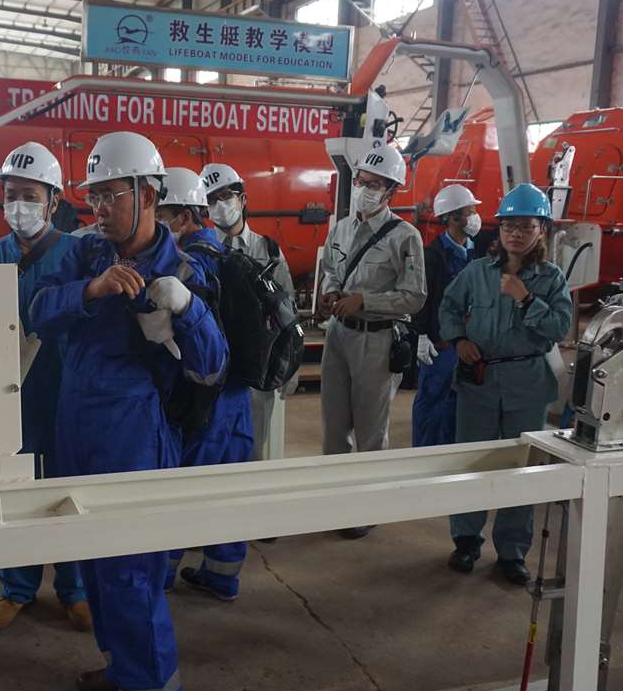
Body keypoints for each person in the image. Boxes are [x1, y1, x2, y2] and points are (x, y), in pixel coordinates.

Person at [30, 132, 228, 691]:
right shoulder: (85, 255)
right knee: (94, 566)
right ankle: (122, 667)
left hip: (134, 437)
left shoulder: (183, 268)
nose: (98, 208)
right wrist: (92, 290)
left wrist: (186, 310)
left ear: (147, 194)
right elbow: (36, 310)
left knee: (130, 578)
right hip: (75, 429)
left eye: (110, 195)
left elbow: (213, 367)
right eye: (93, 196)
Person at [0, 142, 91, 633]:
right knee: (15, 492)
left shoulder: (78, 253)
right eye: (11, 194)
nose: (18, 205)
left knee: (68, 491)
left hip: (64, 391)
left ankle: (76, 588)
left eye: (29, 195)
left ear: (53, 201)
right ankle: (17, 588)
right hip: (10, 397)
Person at [439, 183, 572, 585]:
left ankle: (512, 552)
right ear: (499, 229)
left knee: (520, 468)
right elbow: (449, 307)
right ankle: (466, 540)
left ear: (541, 230)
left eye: (526, 226)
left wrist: (526, 299)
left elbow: (560, 328)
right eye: (509, 226)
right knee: (473, 462)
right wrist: (459, 340)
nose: (516, 233)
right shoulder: (477, 272)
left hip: (526, 384)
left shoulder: (551, 279)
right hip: (479, 382)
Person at [317, 140, 426, 539]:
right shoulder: (342, 228)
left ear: (391, 191)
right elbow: (331, 270)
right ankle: (334, 504)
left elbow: (415, 296)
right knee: (334, 429)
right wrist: (330, 291)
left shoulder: (405, 237)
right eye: (362, 181)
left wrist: (366, 300)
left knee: (370, 432)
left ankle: (365, 508)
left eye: (375, 184)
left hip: (376, 342)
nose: (364, 189)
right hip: (338, 337)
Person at [158, 167, 255, 601]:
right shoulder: (228, 254)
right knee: (230, 493)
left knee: (182, 493)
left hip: (205, 398)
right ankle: (222, 577)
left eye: (162, 215)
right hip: (237, 398)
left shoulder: (188, 264)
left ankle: (161, 576)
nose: (157, 224)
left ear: (183, 216)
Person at [202, 162, 296, 462]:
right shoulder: (199, 251)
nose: (220, 205)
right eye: (211, 199)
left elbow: (287, 311)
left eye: (225, 196)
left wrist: (290, 365)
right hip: (214, 369)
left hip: (257, 369)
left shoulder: (269, 252)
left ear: (242, 199)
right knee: (209, 452)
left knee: (253, 451)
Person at [412, 184, 482, 447]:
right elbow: (422, 297)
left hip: (468, 343)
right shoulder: (433, 256)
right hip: (439, 344)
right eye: (469, 211)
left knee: (457, 404)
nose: (475, 217)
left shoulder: (477, 253)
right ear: (452, 217)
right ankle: (424, 454)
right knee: (433, 400)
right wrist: (421, 334)